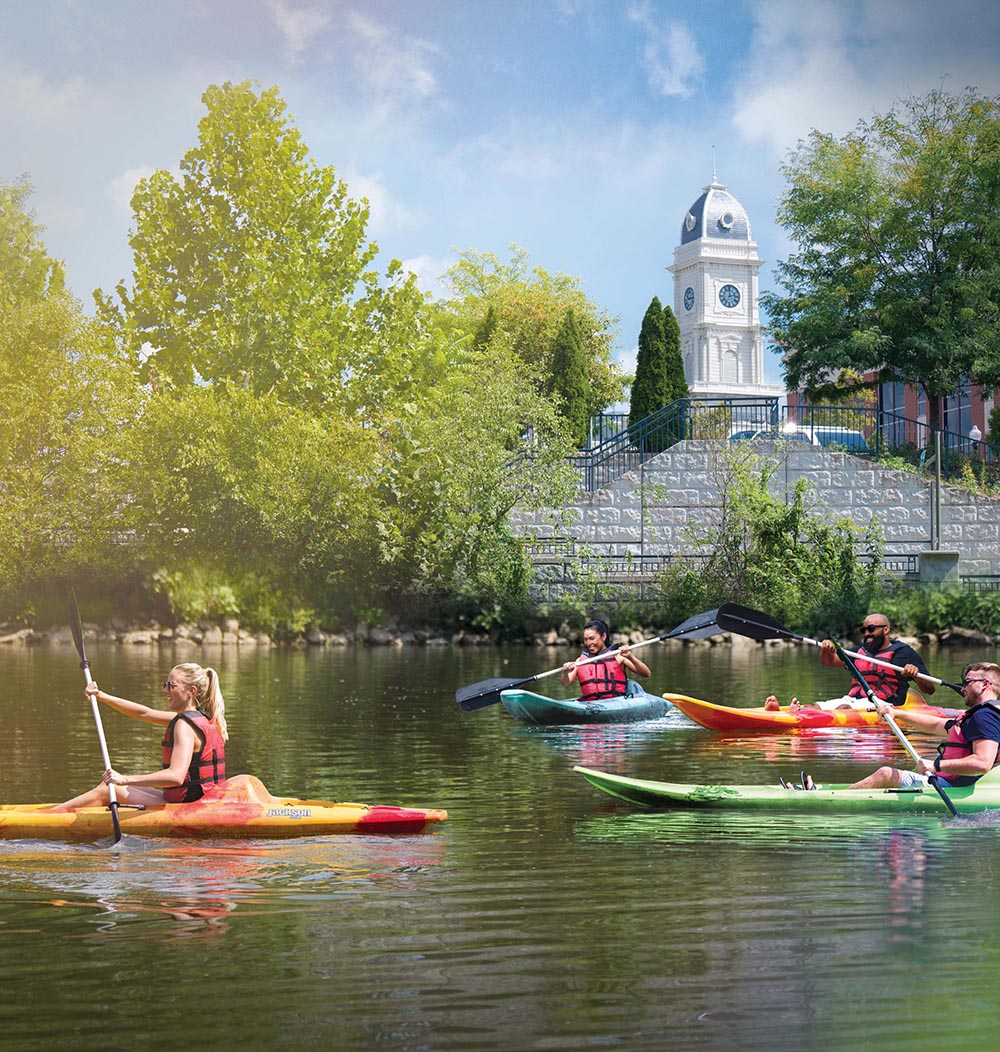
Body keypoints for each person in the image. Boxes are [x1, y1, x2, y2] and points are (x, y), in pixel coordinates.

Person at [51, 663, 228, 811]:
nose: (166, 691)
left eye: (172, 686)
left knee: (110, 788)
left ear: (192, 691)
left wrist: (124, 779)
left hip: (187, 807)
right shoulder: (203, 718)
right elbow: (145, 714)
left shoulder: (184, 726)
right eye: (165, 684)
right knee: (110, 787)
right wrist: (101, 696)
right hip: (198, 801)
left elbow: (175, 777)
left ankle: (47, 819)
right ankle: (51, 814)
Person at [845, 662, 1000, 791]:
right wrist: (896, 713)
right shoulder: (980, 714)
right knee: (908, 772)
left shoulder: (984, 716)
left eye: (967, 682)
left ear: (985, 684)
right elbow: (935, 724)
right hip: (952, 782)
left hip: (953, 788)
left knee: (886, 774)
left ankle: (836, 800)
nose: (962, 688)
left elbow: (982, 763)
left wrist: (936, 765)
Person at [767, 614, 936, 713]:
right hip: (853, 699)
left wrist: (915, 674)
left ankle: (799, 720)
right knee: (813, 706)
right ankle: (784, 714)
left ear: (886, 630)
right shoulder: (859, 651)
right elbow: (829, 661)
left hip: (882, 704)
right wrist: (826, 649)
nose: (867, 634)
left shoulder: (903, 653)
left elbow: (929, 689)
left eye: (871, 629)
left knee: (844, 707)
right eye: (864, 630)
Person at [561, 619, 651, 700]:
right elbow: (566, 682)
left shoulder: (618, 657)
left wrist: (630, 656)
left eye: (592, 639)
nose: (588, 643)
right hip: (590, 704)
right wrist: (565, 672)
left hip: (616, 702)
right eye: (585, 639)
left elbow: (646, 673)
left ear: (603, 636)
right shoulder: (580, 661)